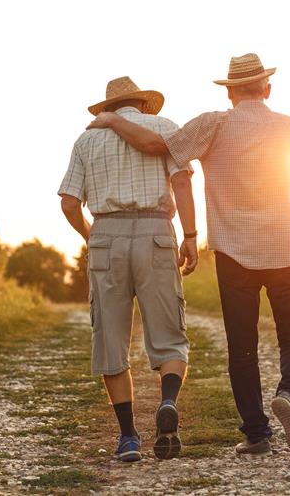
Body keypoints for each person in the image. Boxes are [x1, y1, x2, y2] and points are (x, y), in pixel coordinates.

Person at [87, 54, 290, 457]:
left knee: (242, 346)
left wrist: (112, 120)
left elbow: (154, 144)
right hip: (287, 247)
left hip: (234, 252)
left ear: (228, 92)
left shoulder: (214, 124)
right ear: (267, 88)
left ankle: (257, 435)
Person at [58, 76, 199, 462]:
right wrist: (189, 235)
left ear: (108, 108)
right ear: (142, 104)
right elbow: (183, 183)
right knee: (170, 336)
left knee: (111, 339)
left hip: (107, 234)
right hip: (156, 231)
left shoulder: (87, 139)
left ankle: (128, 438)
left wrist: (92, 235)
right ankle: (167, 401)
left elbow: (69, 203)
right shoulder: (166, 128)